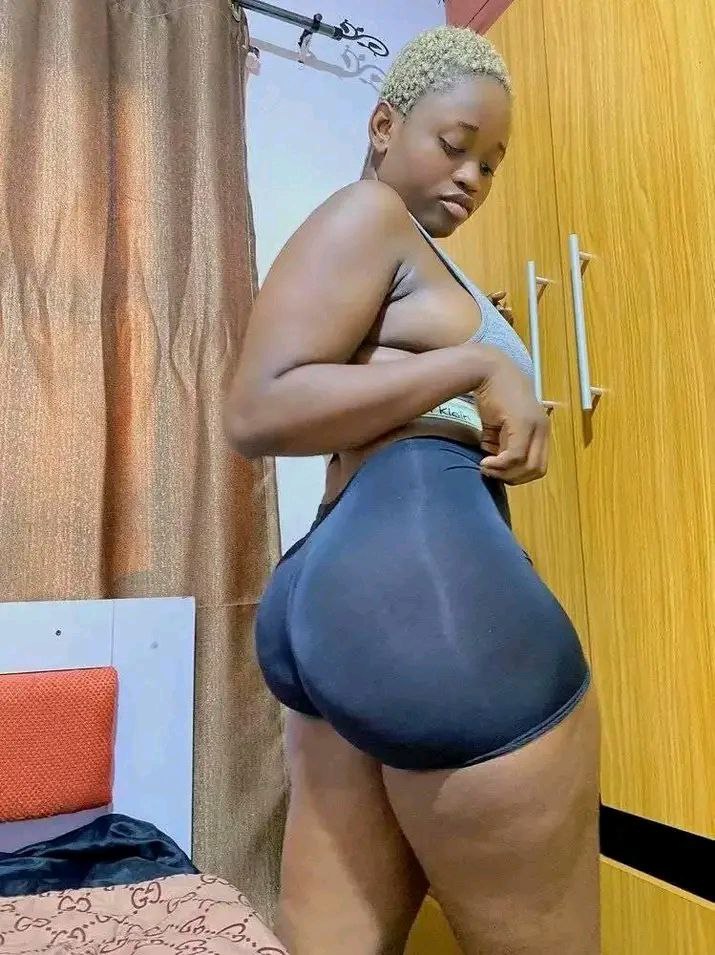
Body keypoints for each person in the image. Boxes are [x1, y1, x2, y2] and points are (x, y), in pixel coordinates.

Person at [225, 26, 599, 955]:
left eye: (490, 164)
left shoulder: (419, 257)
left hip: (341, 587)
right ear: (385, 124)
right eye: (454, 144)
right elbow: (258, 409)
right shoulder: (369, 214)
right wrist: (477, 364)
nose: (472, 177)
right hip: (419, 581)